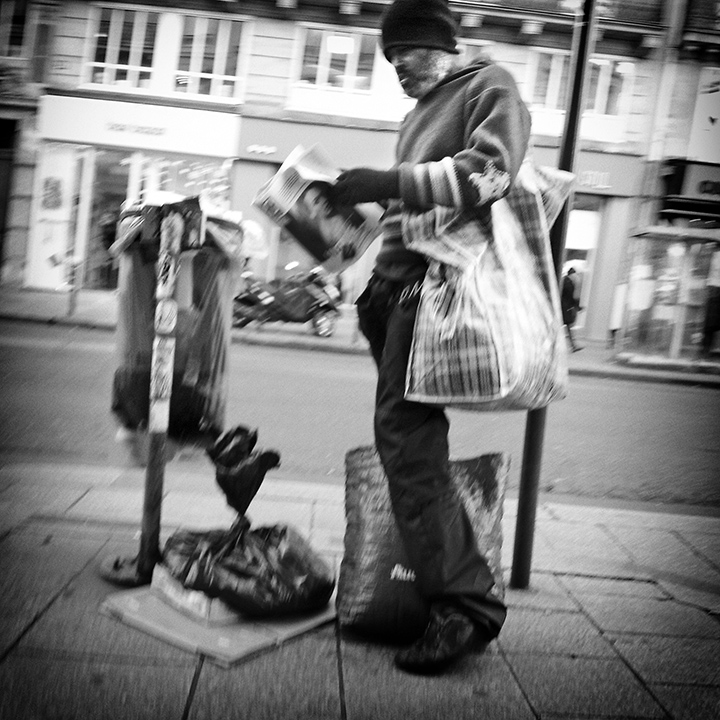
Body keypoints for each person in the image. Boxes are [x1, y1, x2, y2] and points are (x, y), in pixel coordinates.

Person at [329, 0, 531, 675]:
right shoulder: (418, 114)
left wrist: (388, 182)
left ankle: (465, 607)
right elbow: (410, 210)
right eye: (388, 60)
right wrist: (352, 246)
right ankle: (456, 589)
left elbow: (489, 175)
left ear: (440, 43)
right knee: (408, 442)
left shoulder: (488, 84)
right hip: (393, 298)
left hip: (432, 296)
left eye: (405, 55)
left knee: (408, 441)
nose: (396, 70)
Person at [561, 267, 583, 352]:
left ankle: (573, 345)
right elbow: (574, 296)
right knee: (568, 326)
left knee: (567, 326)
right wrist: (577, 306)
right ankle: (573, 346)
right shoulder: (571, 282)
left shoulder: (565, 280)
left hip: (563, 306)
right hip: (566, 307)